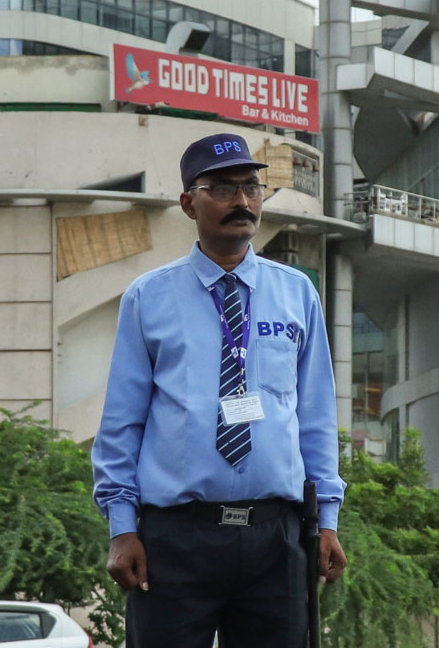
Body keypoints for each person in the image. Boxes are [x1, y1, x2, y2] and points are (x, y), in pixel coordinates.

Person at [92, 132, 347, 648]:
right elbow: (122, 422)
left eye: (252, 187)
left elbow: (316, 416)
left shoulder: (296, 292)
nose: (243, 201)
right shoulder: (149, 297)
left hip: (276, 538)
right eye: (223, 188)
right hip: (176, 537)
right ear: (189, 202)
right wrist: (122, 527)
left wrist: (327, 520)